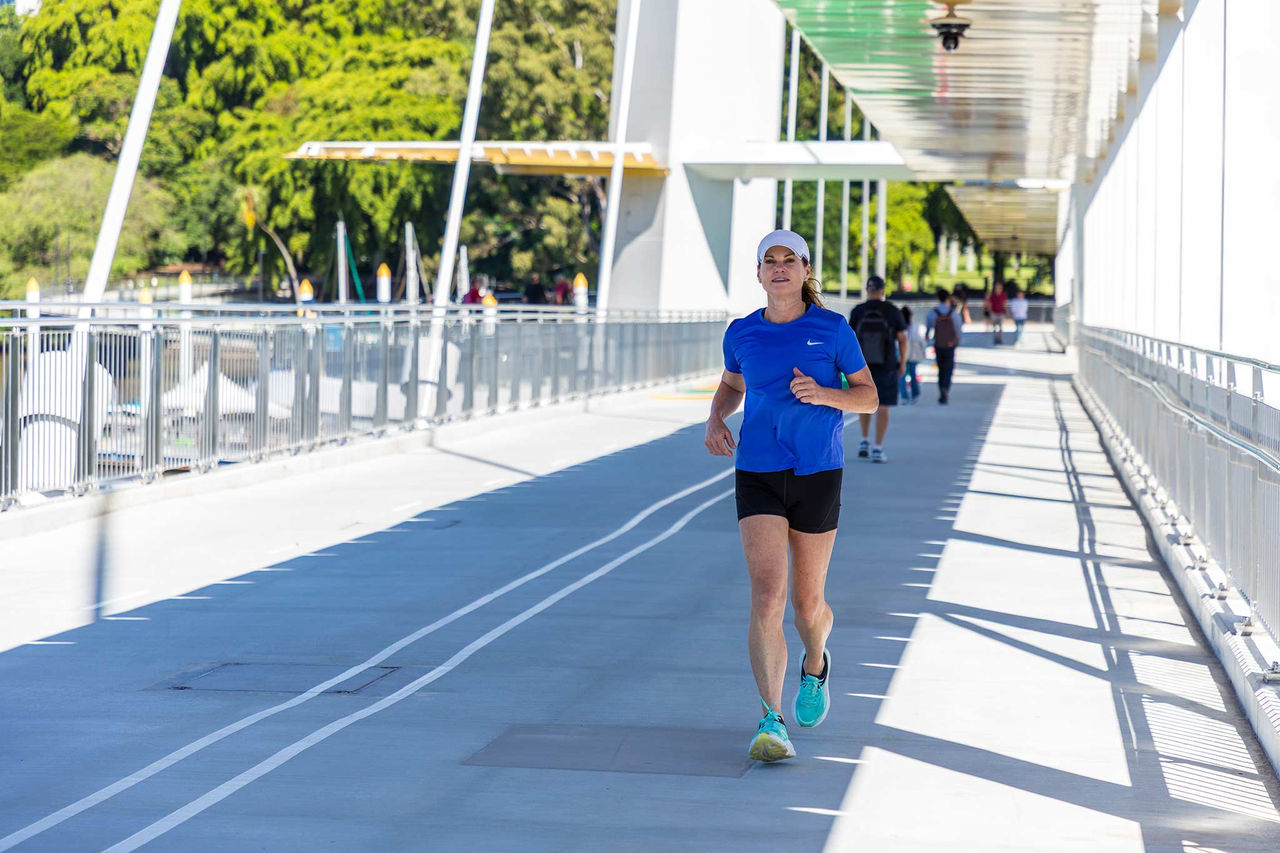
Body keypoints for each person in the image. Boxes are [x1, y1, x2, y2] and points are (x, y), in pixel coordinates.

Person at [705, 229, 878, 763]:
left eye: (789, 260)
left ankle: (816, 663)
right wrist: (715, 417)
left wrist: (825, 394)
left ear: (805, 271)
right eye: (769, 261)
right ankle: (771, 717)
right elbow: (734, 383)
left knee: (807, 607)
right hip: (756, 469)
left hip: (817, 471)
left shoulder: (833, 329)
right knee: (767, 596)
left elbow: (869, 397)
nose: (779, 268)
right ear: (758, 274)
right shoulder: (741, 333)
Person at [848, 276, 907, 462]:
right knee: (883, 406)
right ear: (883, 290)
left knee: (864, 402)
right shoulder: (892, 311)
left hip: (861, 365)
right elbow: (903, 339)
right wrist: (903, 362)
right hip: (887, 365)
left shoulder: (858, 311)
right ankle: (878, 448)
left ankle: (864, 440)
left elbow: (849, 340)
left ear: (867, 290)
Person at [927, 287, 962, 404]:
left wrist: (928, 339)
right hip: (950, 345)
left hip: (938, 344)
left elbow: (929, 329)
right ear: (947, 298)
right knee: (949, 368)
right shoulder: (953, 314)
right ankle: (945, 387)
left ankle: (941, 387)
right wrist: (957, 342)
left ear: (938, 298)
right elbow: (958, 330)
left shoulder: (933, 313)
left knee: (941, 369)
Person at [899, 305, 926, 404]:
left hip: (902, 354)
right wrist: (923, 350)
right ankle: (915, 394)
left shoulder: (899, 328)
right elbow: (920, 340)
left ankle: (904, 396)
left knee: (902, 375)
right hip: (913, 354)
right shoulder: (915, 327)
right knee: (913, 374)